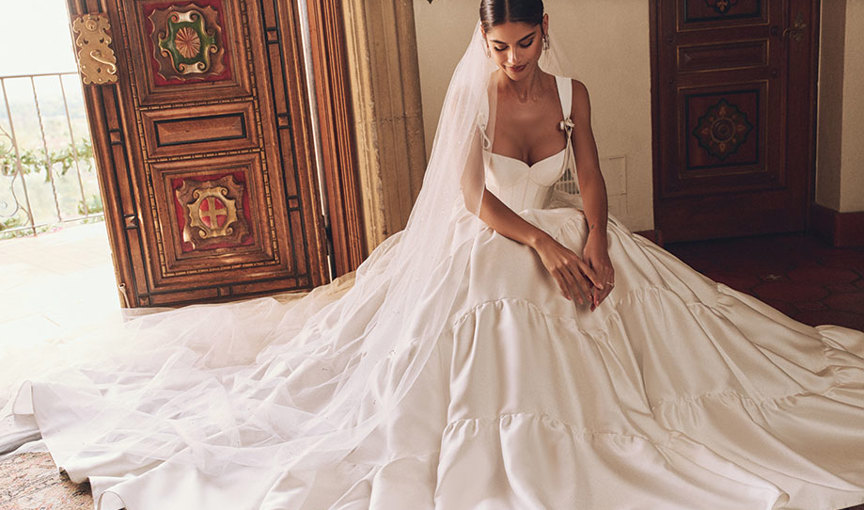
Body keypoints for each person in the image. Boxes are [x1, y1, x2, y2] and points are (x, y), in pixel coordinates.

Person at [5, 1, 864, 508]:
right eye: (499, 47)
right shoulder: (475, 96)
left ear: (546, 31)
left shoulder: (572, 92)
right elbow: (473, 199)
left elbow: (590, 178)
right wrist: (544, 244)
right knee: (505, 278)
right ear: (482, 42)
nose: (514, 60)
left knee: (634, 292)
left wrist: (599, 239)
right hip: (497, 233)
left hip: (569, 226)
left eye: (525, 42)